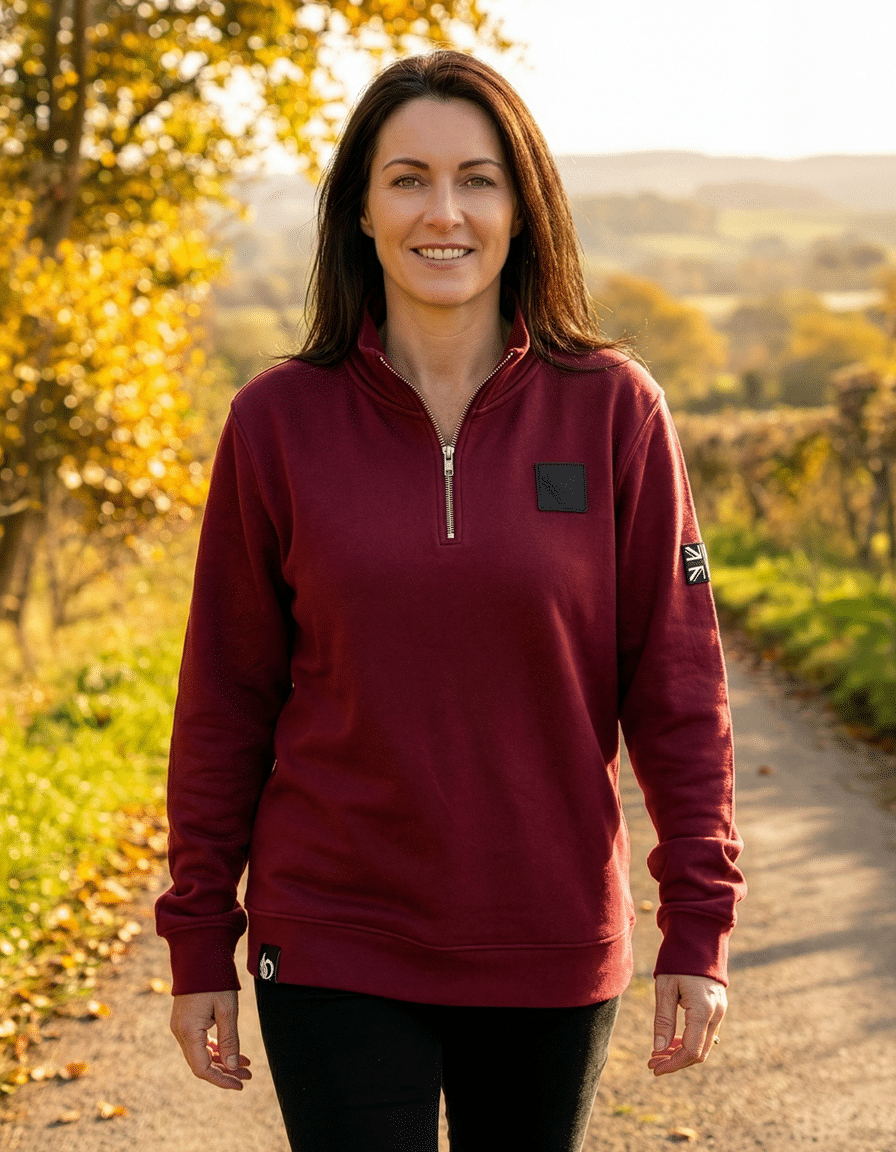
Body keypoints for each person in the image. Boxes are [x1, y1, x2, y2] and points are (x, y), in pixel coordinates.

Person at [155, 49, 745, 1152]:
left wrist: (697, 922)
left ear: (522, 208)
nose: (444, 212)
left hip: (546, 931)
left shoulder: (614, 410)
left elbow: (677, 683)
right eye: (407, 179)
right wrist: (199, 936)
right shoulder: (276, 422)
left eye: (477, 178)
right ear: (361, 214)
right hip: (331, 927)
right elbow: (223, 700)